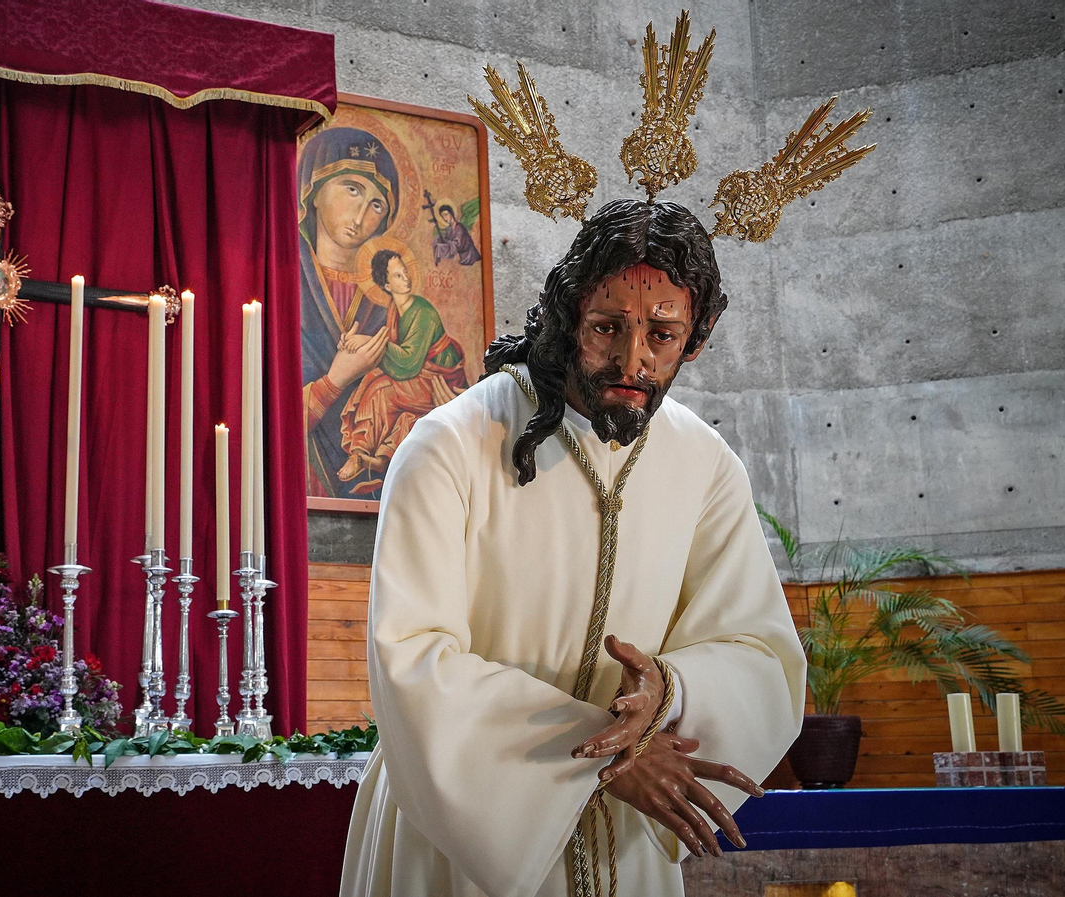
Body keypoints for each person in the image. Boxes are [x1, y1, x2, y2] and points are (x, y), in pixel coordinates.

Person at [340, 199, 806, 897]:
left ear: (697, 339)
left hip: (627, 835)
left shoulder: (703, 464)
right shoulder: (451, 446)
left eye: (663, 334)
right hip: (462, 839)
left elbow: (760, 650)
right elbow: (413, 660)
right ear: (568, 314)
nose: (632, 358)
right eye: (607, 327)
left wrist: (669, 694)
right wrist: (596, 756)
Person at [299, 127, 400, 499]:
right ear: (314, 187)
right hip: (295, 486)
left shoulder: (389, 301)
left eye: (377, 205)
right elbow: (251, 423)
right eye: (352, 188)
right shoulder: (277, 283)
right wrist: (336, 379)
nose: (361, 214)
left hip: (376, 493)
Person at [337, 248, 469, 492]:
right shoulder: (394, 311)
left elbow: (408, 364)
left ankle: (359, 451)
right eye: (398, 275)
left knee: (380, 390)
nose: (406, 278)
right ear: (386, 284)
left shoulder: (423, 311)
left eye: (405, 272)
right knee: (398, 407)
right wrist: (352, 345)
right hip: (423, 378)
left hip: (441, 380)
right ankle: (377, 458)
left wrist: (367, 341)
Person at [432, 202, 483, 266]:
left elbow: (458, 245)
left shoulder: (459, 228)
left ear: (451, 214)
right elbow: (448, 241)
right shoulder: (449, 229)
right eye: (443, 216)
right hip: (461, 256)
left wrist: (446, 242)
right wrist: (441, 239)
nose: (445, 218)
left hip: (469, 257)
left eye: (446, 215)